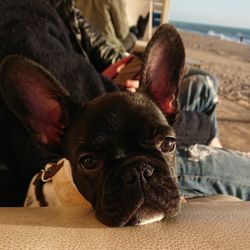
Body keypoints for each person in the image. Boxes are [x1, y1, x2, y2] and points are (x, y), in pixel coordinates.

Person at [1, 0, 250, 205]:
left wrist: (117, 78)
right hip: (89, 146)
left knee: (203, 84)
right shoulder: (21, 23)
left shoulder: (61, 10)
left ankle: (202, 142)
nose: (140, 177)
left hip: (118, 101)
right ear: (49, 130)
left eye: (166, 143)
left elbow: (100, 53)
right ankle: (207, 143)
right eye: (91, 162)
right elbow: (96, 116)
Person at [75, 0, 149, 52]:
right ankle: (139, 32)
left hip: (84, 46)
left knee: (133, 30)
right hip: (107, 49)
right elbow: (122, 32)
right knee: (132, 37)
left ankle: (138, 30)